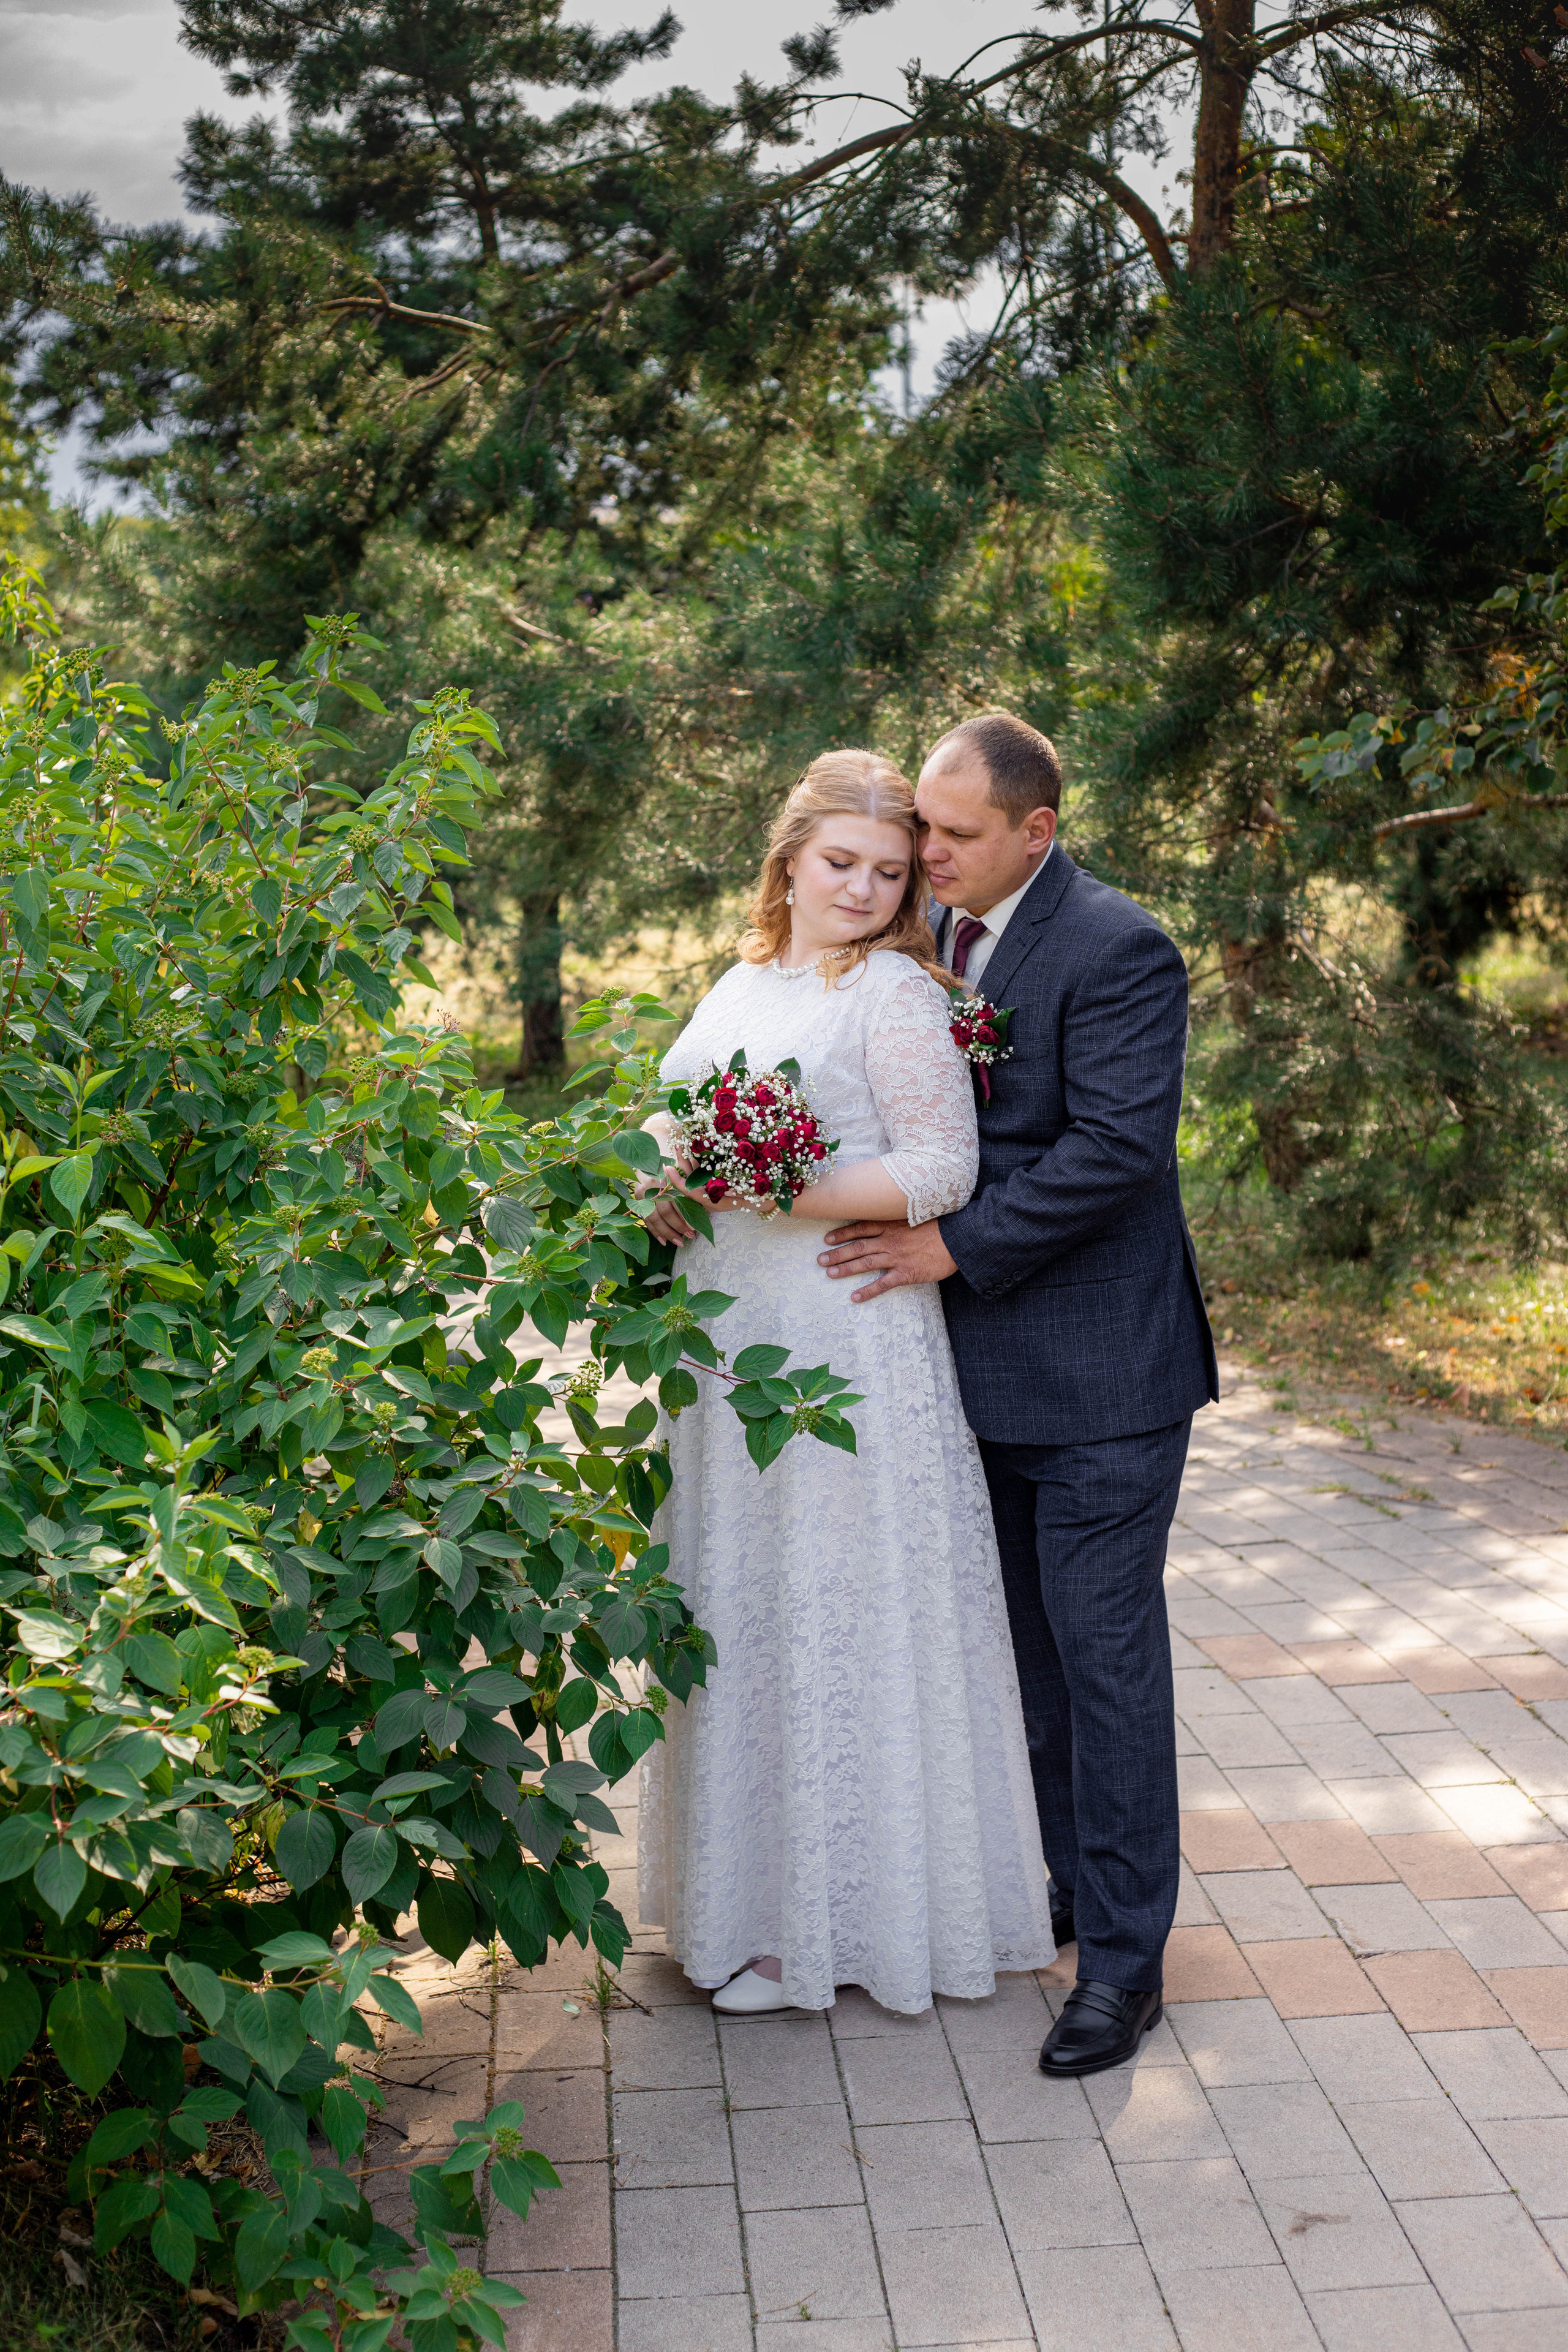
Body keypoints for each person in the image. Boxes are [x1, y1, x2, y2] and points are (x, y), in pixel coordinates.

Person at [820, 712, 1218, 2077]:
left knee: (1104, 1671)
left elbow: (1117, 1147)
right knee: (1027, 1666)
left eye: (954, 833)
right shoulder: (930, 935)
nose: (924, 852)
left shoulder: (1118, 947)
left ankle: (1123, 1968)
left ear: (1035, 831)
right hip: (971, 1373)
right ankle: (1062, 1886)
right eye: (922, 828)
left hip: (1105, 1377)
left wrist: (951, 1244)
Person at [636, 748, 1056, 2017]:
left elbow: (940, 1169)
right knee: (745, 1600)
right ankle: (742, 1903)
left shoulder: (894, 994)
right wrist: (657, 1178)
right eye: (840, 863)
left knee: (832, 1606)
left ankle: (825, 1931)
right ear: (788, 860)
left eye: (887, 871)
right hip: (728, 1335)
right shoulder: (743, 979)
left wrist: (771, 1188)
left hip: (838, 1332)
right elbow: (676, 1118)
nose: (864, 890)